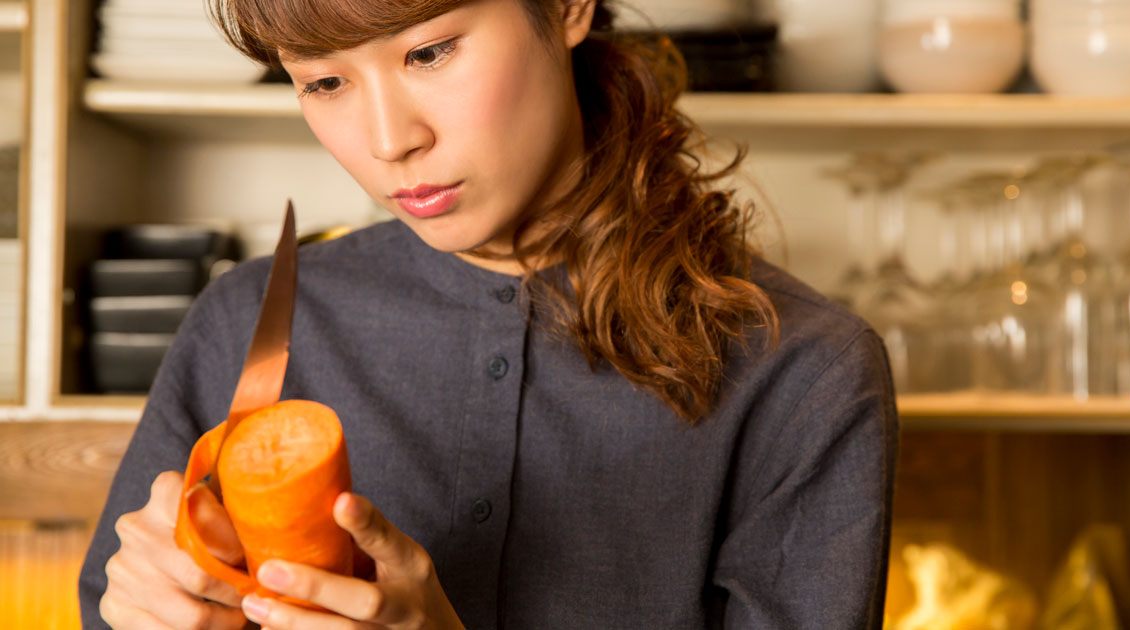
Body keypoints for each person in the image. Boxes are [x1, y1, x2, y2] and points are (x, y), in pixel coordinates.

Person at [78, 0, 899, 628]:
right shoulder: (249, 320)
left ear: (569, 7)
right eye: (325, 81)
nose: (389, 139)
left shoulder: (804, 370)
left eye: (430, 52)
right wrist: (154, 599)